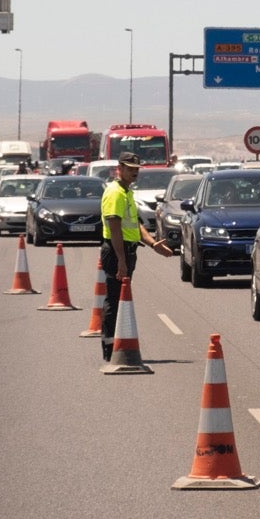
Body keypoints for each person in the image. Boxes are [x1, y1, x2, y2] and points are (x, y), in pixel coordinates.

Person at [99, 151, 171, 362]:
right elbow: (114, 228)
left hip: (128, 251)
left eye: (136, 169)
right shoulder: (115, 193)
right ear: (118, 169)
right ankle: (111, 349)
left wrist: (152, 243)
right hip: (116, 252)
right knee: (114, 300)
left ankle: (118, 346)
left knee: (121, 300)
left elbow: (134, 223)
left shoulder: (126, 192)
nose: (134, 173)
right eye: (130, 169)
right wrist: (121, 260)